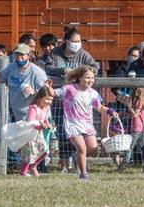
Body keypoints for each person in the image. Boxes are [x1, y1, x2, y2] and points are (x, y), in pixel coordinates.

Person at [49, 66, 118, 180]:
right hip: (72, 124)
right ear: (79, 77)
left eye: (92, 78)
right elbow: (54, 93)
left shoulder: (93, 93)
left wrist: (110, 111)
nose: (90, 80)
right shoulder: (69, 89)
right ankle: (83, 174)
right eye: (87, 77)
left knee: (93, 148)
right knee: (82, 148)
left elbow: (99, 107)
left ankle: (78, 158)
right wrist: (48, 87)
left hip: (87, 124)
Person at [45, 27, 99, 173]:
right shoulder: (55, 54)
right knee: (63, 132)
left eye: (79, 41)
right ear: (66, 42)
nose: (76, 44)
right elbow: (48, 67)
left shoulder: (83, 55)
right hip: (60, 99)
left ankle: (78, 161)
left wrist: (80, 72)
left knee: (84, 138)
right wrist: (62, 71)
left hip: (78, 103)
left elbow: (95, 67)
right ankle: (63, 164)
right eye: (73, 41)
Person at [0, 43, 48, 121]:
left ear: (28, 55)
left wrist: (33, 92)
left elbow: (46, 93)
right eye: (17, 54)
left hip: (35, 116)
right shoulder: (12, 67)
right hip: (16, 114)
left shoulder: (37, 72)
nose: (19, 57)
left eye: (22, 54)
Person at [20, 87, 53, 177]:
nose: (49, 102)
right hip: (30, 134)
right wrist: (40, 126)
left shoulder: (46, 108)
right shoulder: (33, 108)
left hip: (39, 134)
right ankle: (23, 173)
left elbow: (44, 118)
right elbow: (30, 122)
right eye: (47, 99)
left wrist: (48, 124)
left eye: (51, 100)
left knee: (45, 150)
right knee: (29, 154)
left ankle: (33, 166)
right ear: (39, 97)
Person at [124, 88, 144, 167]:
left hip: (136, 128)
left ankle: (123, 165)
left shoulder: (139, 101)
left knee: (129, 147)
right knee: (143, 148)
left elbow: (135, 115)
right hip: (143, 128)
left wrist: (129, 106)